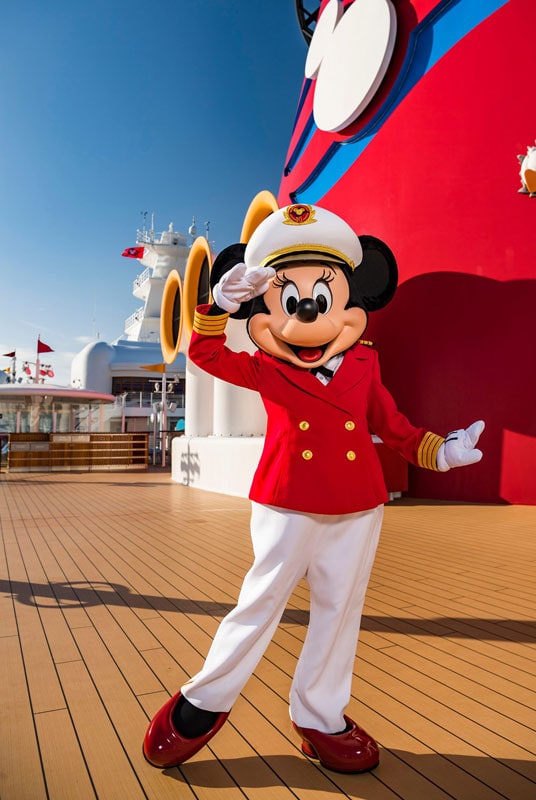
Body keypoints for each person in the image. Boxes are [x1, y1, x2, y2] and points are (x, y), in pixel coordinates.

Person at [143, 203, 484, 772]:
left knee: (339, 610)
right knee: (259, 604)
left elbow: (391, 424)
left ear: (351, 300)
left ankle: (321, 716)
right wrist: (217, 307)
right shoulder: (264, 366)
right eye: (288, 300)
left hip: (357, 503)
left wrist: (441, 451)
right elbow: (204, 354)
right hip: (287, 500)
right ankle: (202, 702)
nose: (307, 313)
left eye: (322, 298)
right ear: (263, 310)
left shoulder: (364, 365)